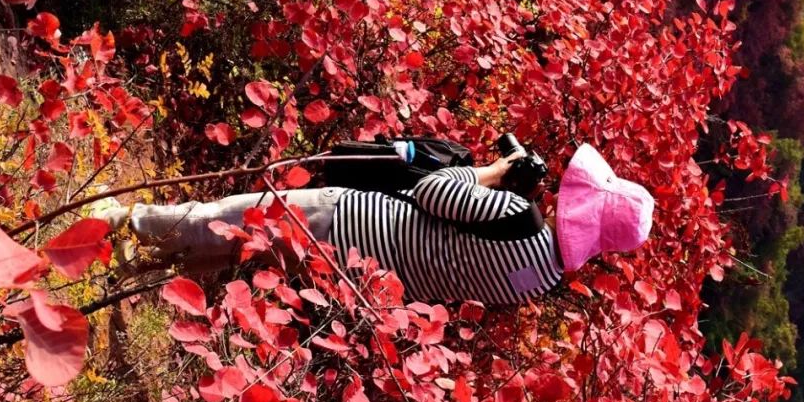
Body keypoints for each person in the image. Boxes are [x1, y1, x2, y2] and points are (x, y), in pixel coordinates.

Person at [116, 144, 655, 307]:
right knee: (247, 251)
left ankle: (129, 225)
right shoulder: (545, 280)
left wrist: (491, 173)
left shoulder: (520, 217)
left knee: (237, 216)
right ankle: (143, 271)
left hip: (350, 221)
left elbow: (430, 191)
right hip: (357, 279)